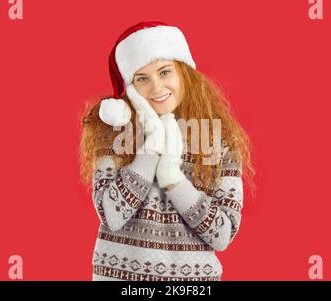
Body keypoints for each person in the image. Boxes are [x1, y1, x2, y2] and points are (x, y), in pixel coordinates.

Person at [80, 21, 255, 281]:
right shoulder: (113, 132)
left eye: (164, 72)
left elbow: (221, 235)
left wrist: (172, 178)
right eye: (142, 79)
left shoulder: (220, 141)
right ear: (130, 88)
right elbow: (112, 216)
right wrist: (151, 148)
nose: (156, 88)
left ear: (184, 72)